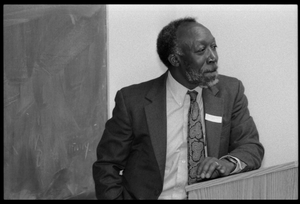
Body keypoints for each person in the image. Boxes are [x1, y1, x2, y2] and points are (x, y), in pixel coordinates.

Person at [92, 17, 264, 200]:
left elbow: (251, 147)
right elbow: (107, 166)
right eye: (201, 50)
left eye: (214, 47)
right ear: (175, 59)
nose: (213, 57)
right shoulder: (133, 101)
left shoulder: (230, 91)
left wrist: (227, 164)